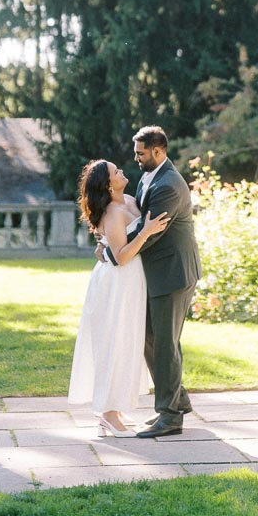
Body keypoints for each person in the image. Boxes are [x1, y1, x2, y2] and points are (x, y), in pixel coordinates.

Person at [105, 124, 202, 438]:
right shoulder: (153, 177)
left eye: (141, 153)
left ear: (158, 151)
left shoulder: (168, 185)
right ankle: (178, 400)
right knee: (152, 338)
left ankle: (170, 416)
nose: (136, 159)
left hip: (172, 274)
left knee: (163, 344)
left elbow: (151, 234)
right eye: (136, 153)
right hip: (158, 275)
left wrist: (113, 251)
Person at [68, 158, 169, 436]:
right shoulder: (112, 212)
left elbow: (112, 248)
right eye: (116, 171)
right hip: (115, 284)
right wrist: (146, 232)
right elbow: (121, 257)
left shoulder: (128, 198)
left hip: (131, 282)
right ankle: (108, 414)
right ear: (107, 183)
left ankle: (117, 408)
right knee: (113, 341)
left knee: (127, 341)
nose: (122, 172)